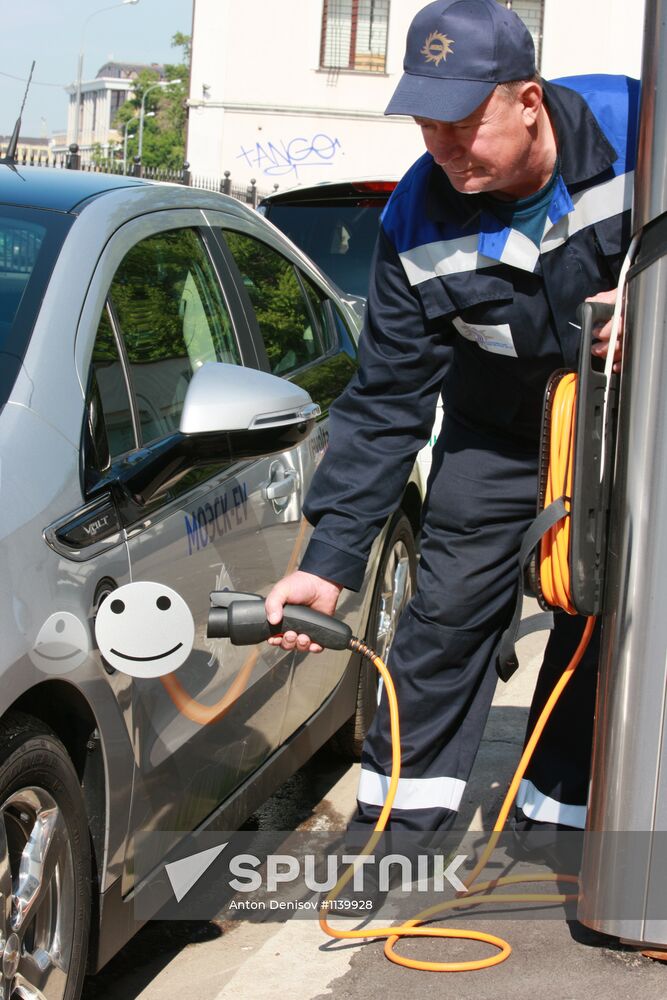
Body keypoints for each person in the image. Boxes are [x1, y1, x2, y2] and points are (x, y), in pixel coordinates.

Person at [265, 0, 639, 836]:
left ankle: (561, 823)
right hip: (498, 436)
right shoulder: (412, 221)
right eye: (428, 124)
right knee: (440, 622)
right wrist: (328, 561)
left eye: (465, 122)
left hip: (622, 430)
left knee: (607, 612)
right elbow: (388, 402)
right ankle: (392, 845)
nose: (444, 147)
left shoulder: (637, 124)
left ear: (530, 100)